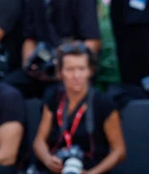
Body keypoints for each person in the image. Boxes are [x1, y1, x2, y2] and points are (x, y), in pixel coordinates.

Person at [6, 0, 101, 99]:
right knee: (8, 89)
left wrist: (67, 68)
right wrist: (29, 65)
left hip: (70, 69)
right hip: (42, 67)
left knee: (54, 95)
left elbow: (92, 42)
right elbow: (30, 38)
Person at [32, 42, 126, 174]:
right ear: (60, 73)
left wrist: (92, 173)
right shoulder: (53, 96)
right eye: (70, 70)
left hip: (90, 168)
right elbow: (39, 140)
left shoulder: (103, 103)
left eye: (81, 69)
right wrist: (48, 160)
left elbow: (119, 151)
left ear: (90, 71)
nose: (76, 76)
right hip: (57, 166)